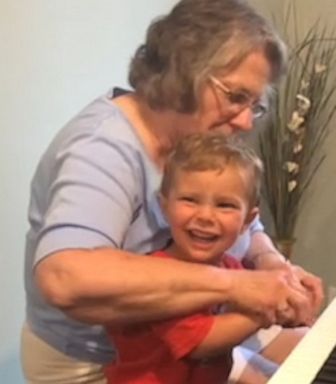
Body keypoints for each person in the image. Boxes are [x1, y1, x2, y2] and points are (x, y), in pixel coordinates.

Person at [20, 0, 323, 383]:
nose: (246, 121)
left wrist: (271, 264)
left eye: (254, 105)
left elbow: (243, 221)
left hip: (184, 333)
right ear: (186, 73)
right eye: (235, 97)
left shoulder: (193, 136)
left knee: (307, 348)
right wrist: (236, 286)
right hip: (98, 359)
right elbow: (64, 277)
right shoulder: (103, 149)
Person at [104, 132, 299, 384]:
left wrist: (291, 298)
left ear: (247, 221)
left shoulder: (231, 267)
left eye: (225, 205)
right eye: (189, 200)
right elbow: (201, 343)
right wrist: (267, 310)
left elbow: (253, 300)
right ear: (165, 207)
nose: (205, 216)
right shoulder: (159, 276)